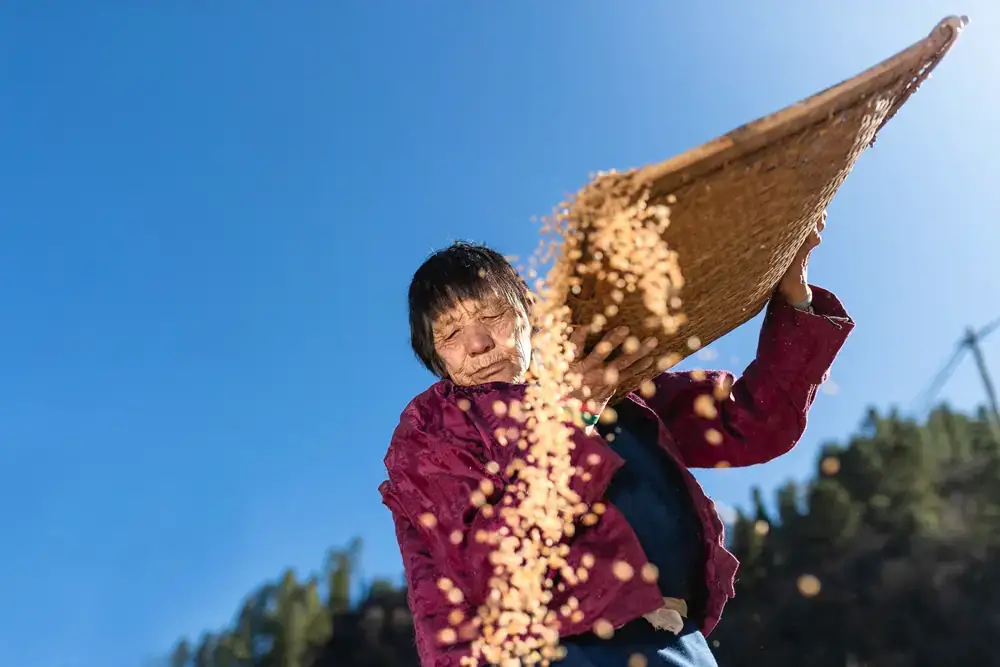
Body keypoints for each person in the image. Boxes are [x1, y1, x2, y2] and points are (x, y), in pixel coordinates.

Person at [380, 213, 853, 666]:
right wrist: (574, 416)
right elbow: (491, 563)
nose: (478, 343)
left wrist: (794, 291)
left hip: (669, 639)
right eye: (451, 334)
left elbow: (751, 424)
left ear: (529, 314)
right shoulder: (433, 427)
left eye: (494, 315)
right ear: (436, 359)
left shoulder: (600, 378)